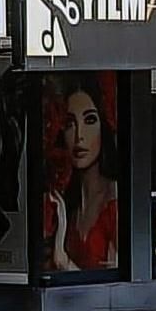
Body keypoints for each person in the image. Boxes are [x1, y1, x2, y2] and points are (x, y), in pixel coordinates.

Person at [44, 75, 119, 272]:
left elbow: (113, 291)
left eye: (90, 120)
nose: (79, 136)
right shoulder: (68, 204)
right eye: (70, 124)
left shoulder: (115, 203)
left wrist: (63, 259)